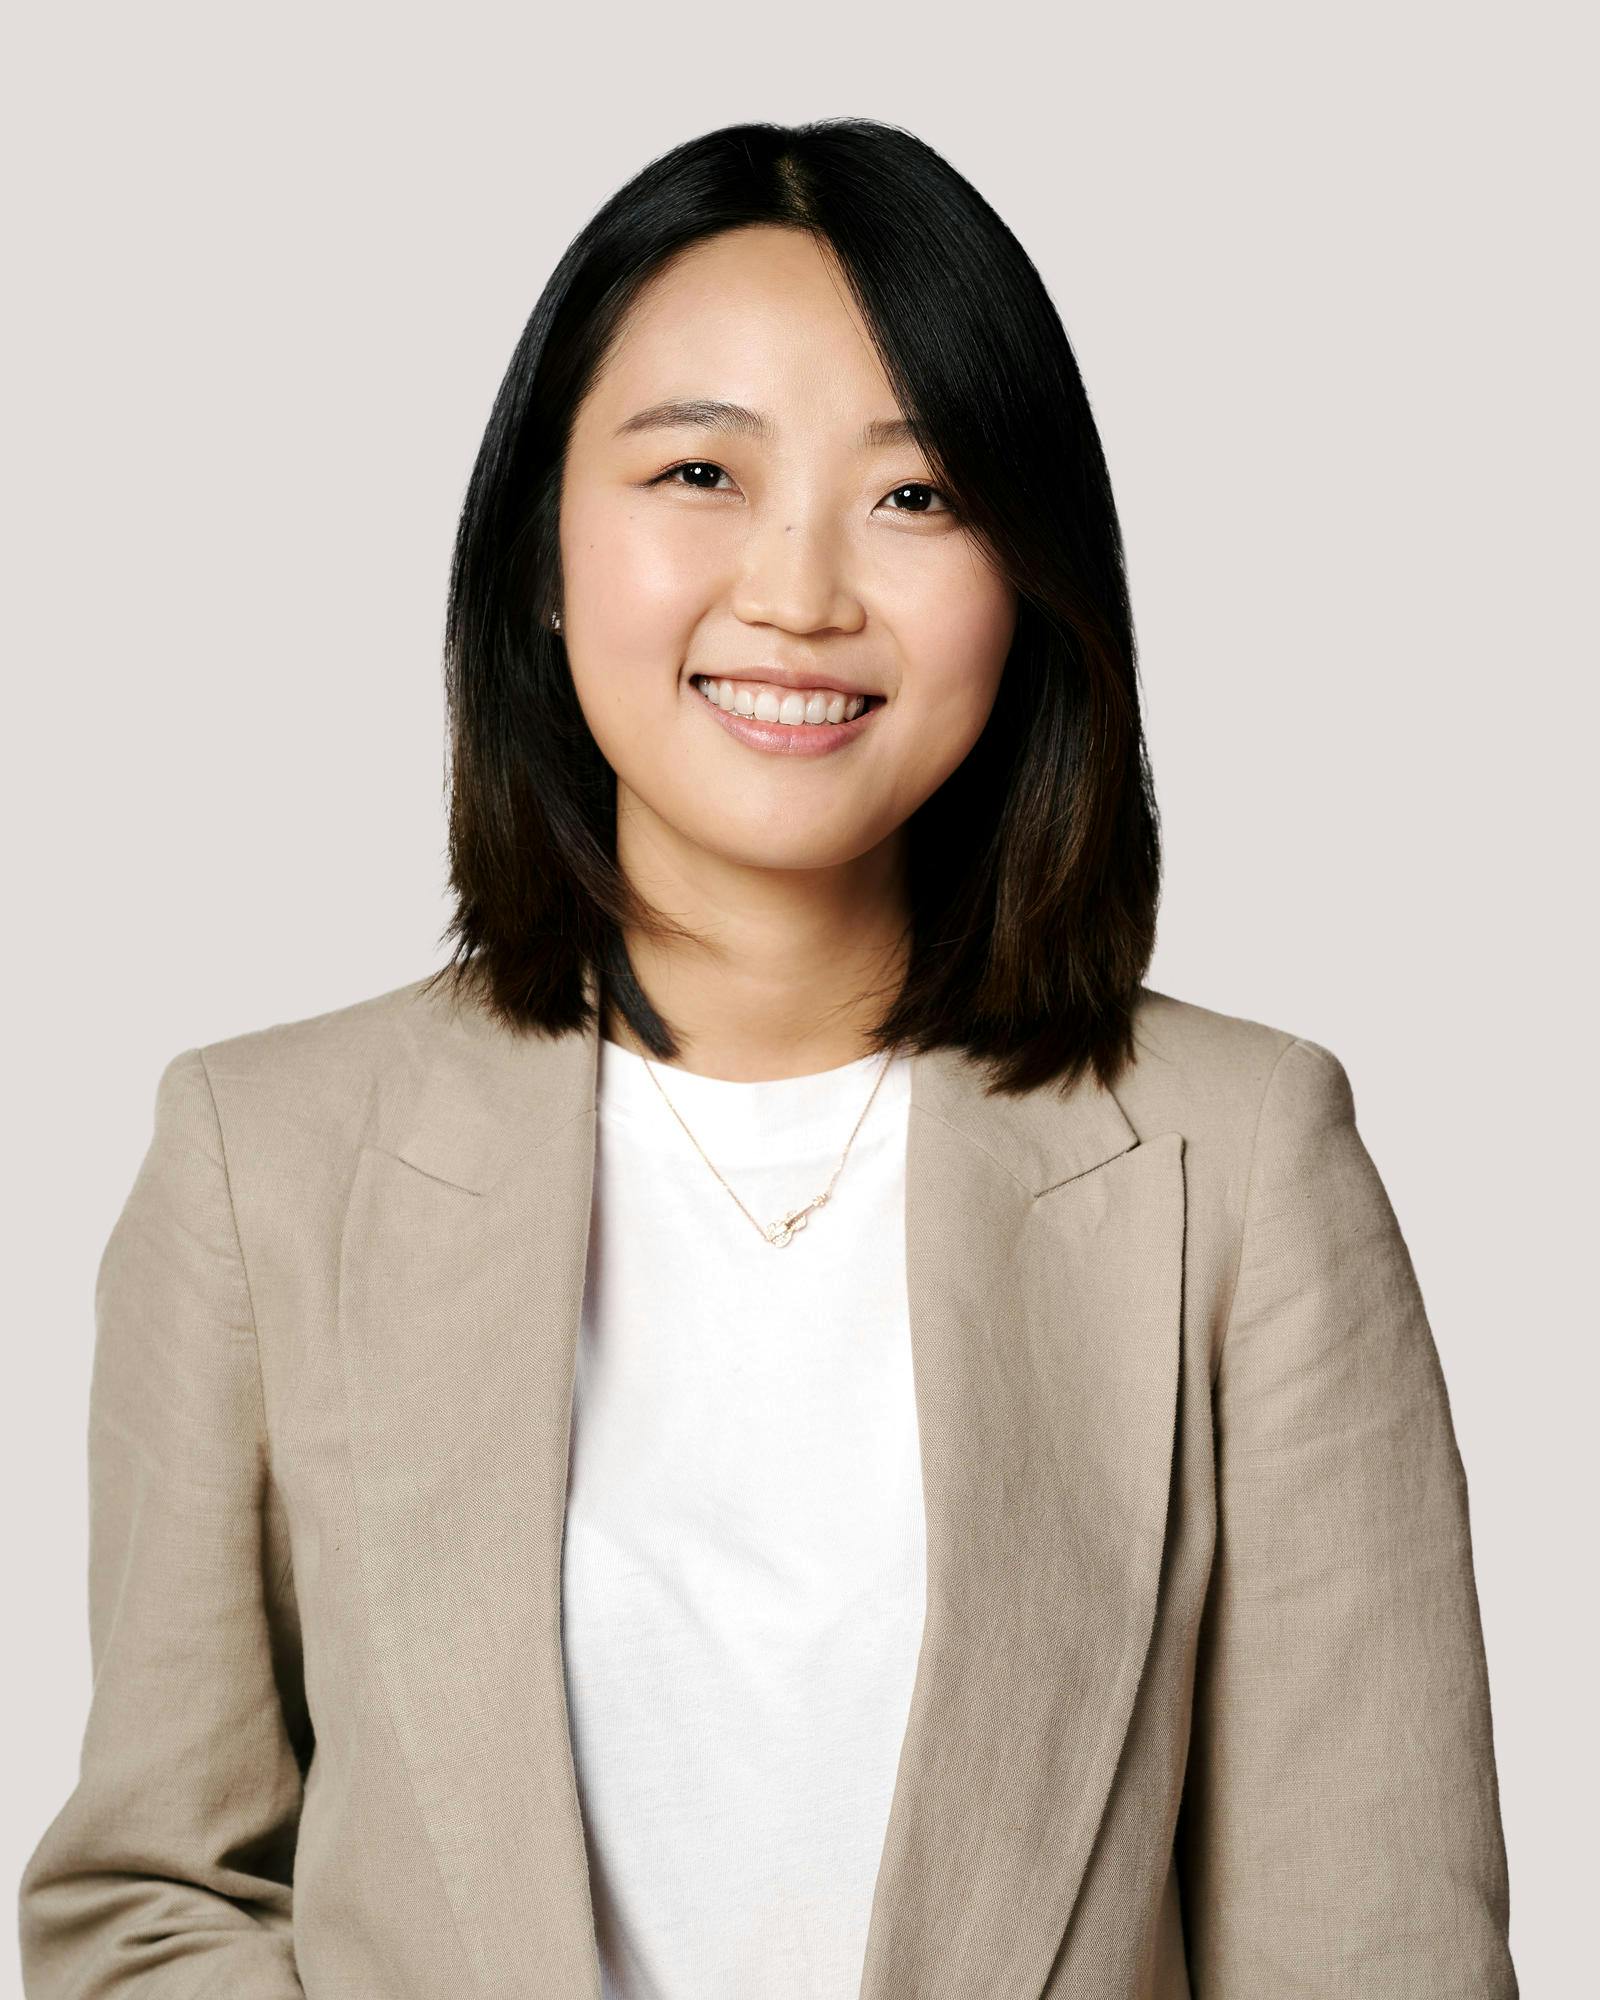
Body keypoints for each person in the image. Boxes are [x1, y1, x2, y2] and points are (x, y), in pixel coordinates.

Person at [18, 118, 1518, 1998]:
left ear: (1029, 584)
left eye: (919, 494)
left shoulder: (1243, 1160)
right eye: (702, 471)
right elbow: (151, 1904)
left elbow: (1372, 1949)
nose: (801, 590)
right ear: (545, 550)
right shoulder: (262, 1158)